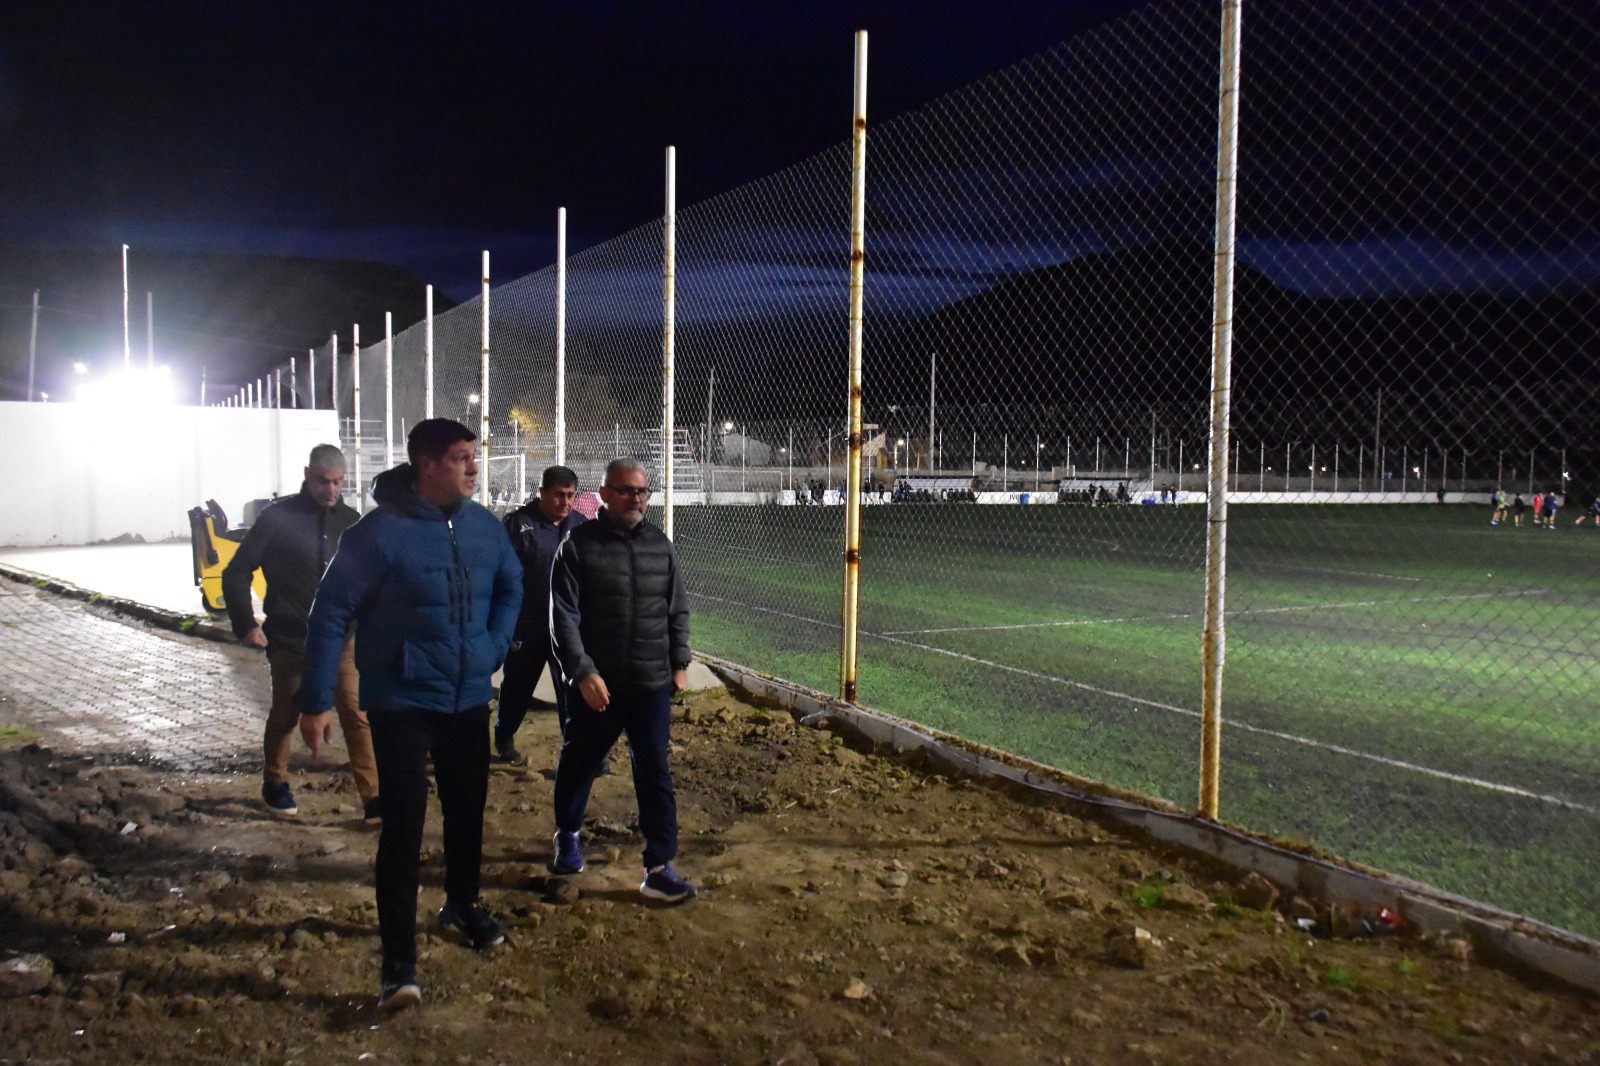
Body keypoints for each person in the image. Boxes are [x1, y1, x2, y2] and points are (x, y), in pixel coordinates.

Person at [299, 419, 523, 1013]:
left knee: (467, 814)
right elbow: (330, 614)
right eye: (461, 458)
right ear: (426, 466)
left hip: (468, 699)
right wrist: (316, 700)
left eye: (474, 456)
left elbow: (512, 584)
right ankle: (398, 963)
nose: (474, 467)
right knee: (403, 828)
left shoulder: (484, 527)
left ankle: (463, 905)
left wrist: (494, 646)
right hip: (401, 702)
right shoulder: (379, 534)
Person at [549, 458, 696, 904]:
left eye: (642, 491)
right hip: (599, 686)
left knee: (654, 771)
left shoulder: (661, 546)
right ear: (604, 494)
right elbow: (563, 618)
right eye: (626, 490)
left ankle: (659, 866)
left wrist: (679, 661)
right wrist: (583, 671)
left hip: (650, 684)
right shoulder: (577, 546)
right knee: (580, 764)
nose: (635, 498)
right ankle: (567, 834)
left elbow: (677, 608)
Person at [222, 444, 377, 821]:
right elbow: (237, 571)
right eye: (323, 481)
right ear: (308, 475)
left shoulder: (352, 522)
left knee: (355, 713)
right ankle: (275, 781)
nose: (331, 489)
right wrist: (245, 624)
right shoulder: (278, 519)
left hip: (341, 639)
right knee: (286, 711)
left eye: (338, 482)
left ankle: (373, 796)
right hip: (291, 637)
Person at [495, 465, 588, 760]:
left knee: (572, 689)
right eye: (559, 495)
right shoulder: (518, 525)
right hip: (528, 625)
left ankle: (579, 750)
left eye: (571, 495)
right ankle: (505, 737)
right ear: (542, 493)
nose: (566, 502)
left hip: (568, 628)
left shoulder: (582, 526)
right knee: (517, 686)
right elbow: (502, 575)